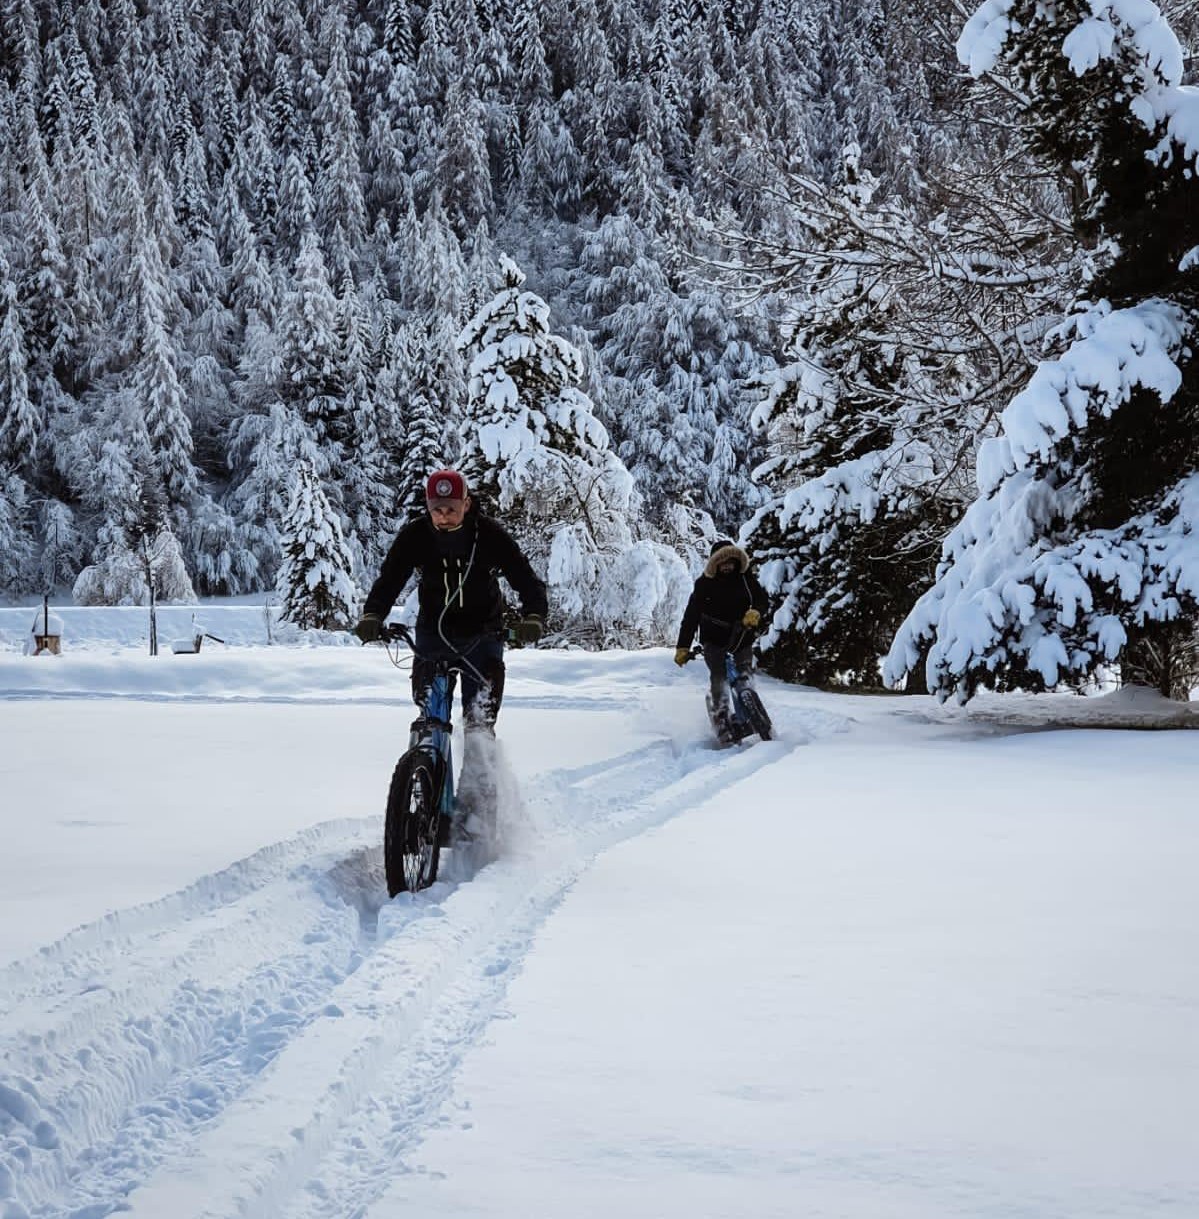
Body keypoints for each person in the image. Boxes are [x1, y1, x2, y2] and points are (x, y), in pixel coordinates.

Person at [353, 469, 547, 734]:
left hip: (483, 633)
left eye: (451, 509)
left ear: (466, 504)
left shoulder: (488, 534)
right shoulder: (416, 536)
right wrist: (373, 614)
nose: (443, 516)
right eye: (437, 510)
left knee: (479, 721)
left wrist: (534, 616)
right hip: (434, 633)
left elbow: (523, 576)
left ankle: (483, 772)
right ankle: (425, 763)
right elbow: (390, 578)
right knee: (430, 715)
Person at [674, 539, 769, 741]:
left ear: (736, 562)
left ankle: (751, 714)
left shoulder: (746, 580)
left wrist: (756, 612)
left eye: (731, 562)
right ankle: (721, 719)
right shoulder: (703, 585)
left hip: (741, 636)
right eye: (722, 562)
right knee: (719, 678)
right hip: (713, 640)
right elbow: (690, 618)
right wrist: (683, 647)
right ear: (715, 564)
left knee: (744, 675)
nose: (727, 566)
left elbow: (762, 599)